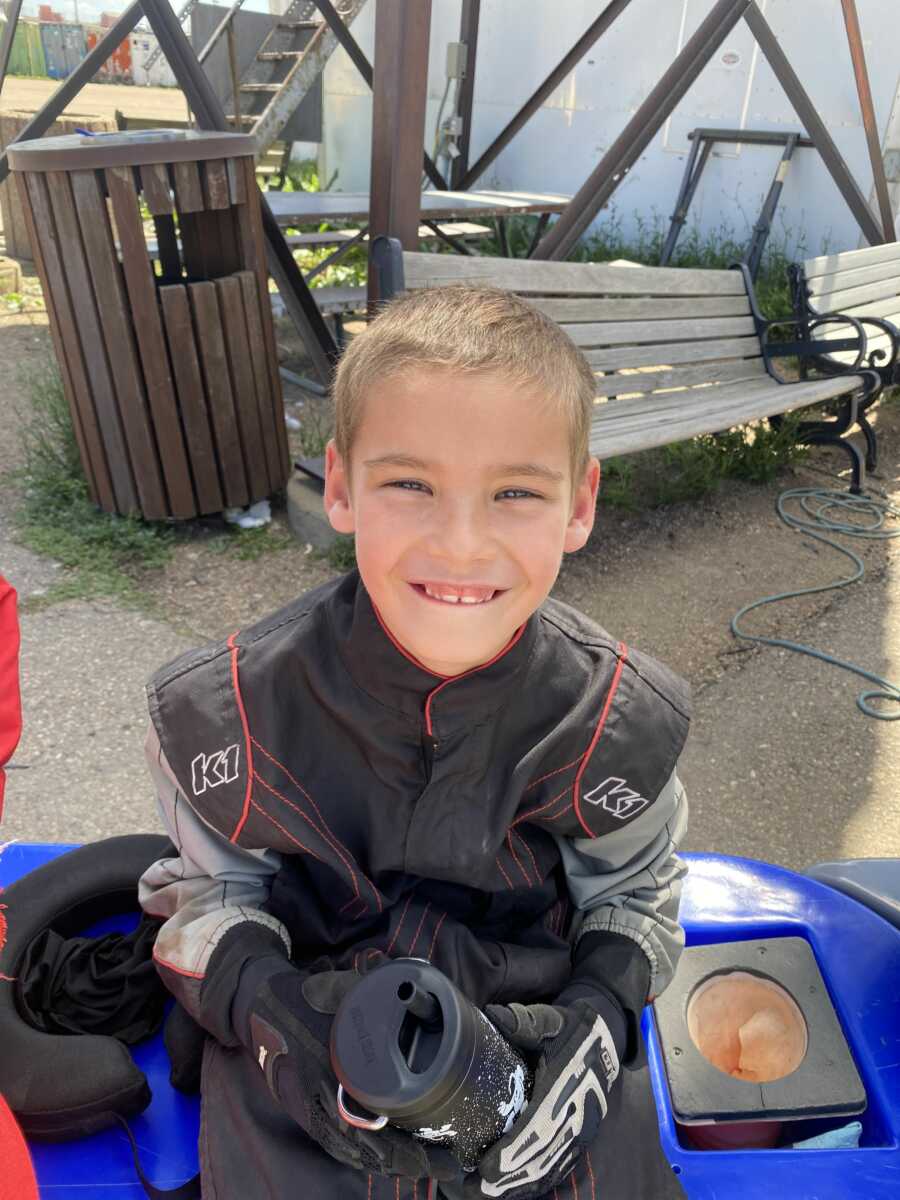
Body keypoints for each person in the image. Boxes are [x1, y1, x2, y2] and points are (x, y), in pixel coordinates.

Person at [138, 285, 691, 1200]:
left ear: (580, 504)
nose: (462, 542)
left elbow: (638, 894)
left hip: (532, 1034)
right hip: (314, 1037)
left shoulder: (612, 723)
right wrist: (269, 1015)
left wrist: (602, 1014)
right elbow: (207, 896)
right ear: (343, 486)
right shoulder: (228, 715)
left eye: (516, 492)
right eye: (410, 484)